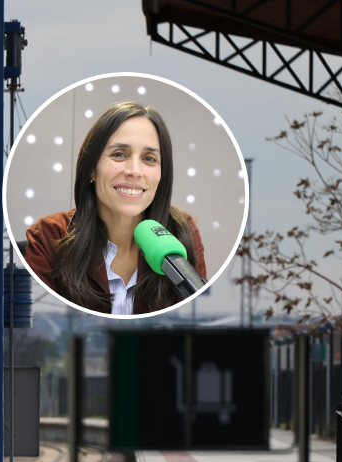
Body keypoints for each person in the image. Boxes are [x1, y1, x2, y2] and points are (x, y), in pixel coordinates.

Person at [24, 102, 207, 315]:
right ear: (92, 169)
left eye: (149, 159)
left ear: (161, 174)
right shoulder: (48, 237)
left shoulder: (182, 233)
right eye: (119, 154)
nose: (134, 171)